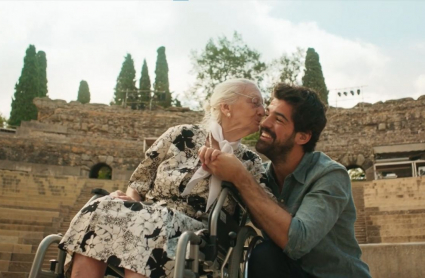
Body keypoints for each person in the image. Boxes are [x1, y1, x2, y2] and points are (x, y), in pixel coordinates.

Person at [58, 78, 274, 278]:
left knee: (150, 222)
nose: (262, 111)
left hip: (202, 232)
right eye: (255, 103)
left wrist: (239, 175)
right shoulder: (181, 135)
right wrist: (131, 202)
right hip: (152, 213)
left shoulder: (250, 161)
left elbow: (264, 208)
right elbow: (139, 181)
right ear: (226, 107)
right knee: (101, 206)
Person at [199, 83, 372, 278]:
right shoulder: (261, 174)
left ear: (303, 136)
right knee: (263, 255)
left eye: (278, 119)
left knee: (265, 255)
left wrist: (240, 177)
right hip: (286, 271)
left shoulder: (330, 175)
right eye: (268, 113)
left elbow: (298, 242)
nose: (265, 123)